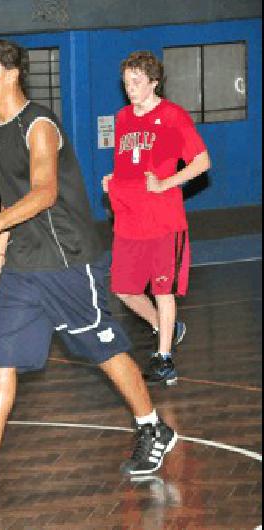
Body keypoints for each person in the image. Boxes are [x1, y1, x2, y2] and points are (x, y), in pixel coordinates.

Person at [0, 39, 177, 495]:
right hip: (23, 263)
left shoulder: (39, 124)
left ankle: (152, 425)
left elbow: (44, 192)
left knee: (105, 352)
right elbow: (8, 191)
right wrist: (0, 251)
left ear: (10, 74)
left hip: (66, 262)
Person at [102, 50, 210, 386]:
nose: (130, 88)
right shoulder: (123, 118)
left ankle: (164, 359)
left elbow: (202, 163)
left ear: (154, 82)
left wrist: (164, 183)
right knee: (123, 289)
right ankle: (165, 327)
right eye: (126, 83)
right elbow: (130, 163)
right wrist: (113, 180)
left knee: (163, 291)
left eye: (137, 82)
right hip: (130, 219)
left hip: (164, 220)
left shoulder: (174, 116)